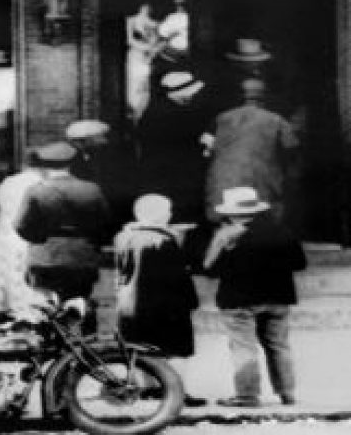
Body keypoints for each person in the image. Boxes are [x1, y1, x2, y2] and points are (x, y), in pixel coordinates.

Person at [203, 187, 307, 408]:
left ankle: (247, 395)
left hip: (239, 300)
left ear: (231, 213)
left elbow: (210, 269)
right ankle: (287, 392)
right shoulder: (281, 231)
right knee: (278, 345)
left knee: (243, 346)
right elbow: (300, 263)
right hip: (278, 298)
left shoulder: (228, 235)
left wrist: (220, 244)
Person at [114, 194, 203, 407]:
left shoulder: (123, 237)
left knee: (140, 346)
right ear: (159, 214)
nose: (170, 214)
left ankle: (148, 387)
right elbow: (177, 277)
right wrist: (191, 300)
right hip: (165, 303)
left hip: (130, 301)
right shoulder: (163, 240)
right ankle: (176, 391)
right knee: (176, 349)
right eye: (167, 210)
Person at [14, 142, 112, 306]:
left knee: (47, 308)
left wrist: (40, 239)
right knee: (78, 305)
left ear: (45, 165)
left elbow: (21, 225)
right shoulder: (92, 189)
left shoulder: (36, 190)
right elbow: (105, 223)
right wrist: (90, 242)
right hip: (82, 257)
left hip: (45, 257)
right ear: (71, 164)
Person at [204, 78, 301, 226]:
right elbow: (292, 149)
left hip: (221, 192)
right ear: (264, 96)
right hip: (261, 189)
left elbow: (207, 149)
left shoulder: (221, 118)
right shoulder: (276, 120)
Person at [137, 71, 214, 228]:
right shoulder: (174, 113)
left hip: (160, 174)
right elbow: (186, 143)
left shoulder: (155, 110)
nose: (192, 97)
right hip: (174, 176)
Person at [0, 149, 43, 315]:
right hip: (29, 238)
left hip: (5, 237)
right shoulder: (42, 183)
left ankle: (1, 314)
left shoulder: (8, 182)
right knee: (26, 282)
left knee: (3, 279)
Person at [66, 119, 139, 227]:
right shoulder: (76, 158)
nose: (104, 140)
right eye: (101, 137)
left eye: (103, 137)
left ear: (87, 141)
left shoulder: (113, 157)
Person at [125, 3, 162, 122]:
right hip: (136, 55)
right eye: (144, 6)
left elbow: (157, 40)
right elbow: (130, 40)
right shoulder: (131, 20)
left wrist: (153, 50)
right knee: (134, 83)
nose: (147, 8)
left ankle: (143, 113)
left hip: (149, 57)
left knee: (145, 83)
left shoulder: (155, 23)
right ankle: (134, 111)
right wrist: (146, 47)